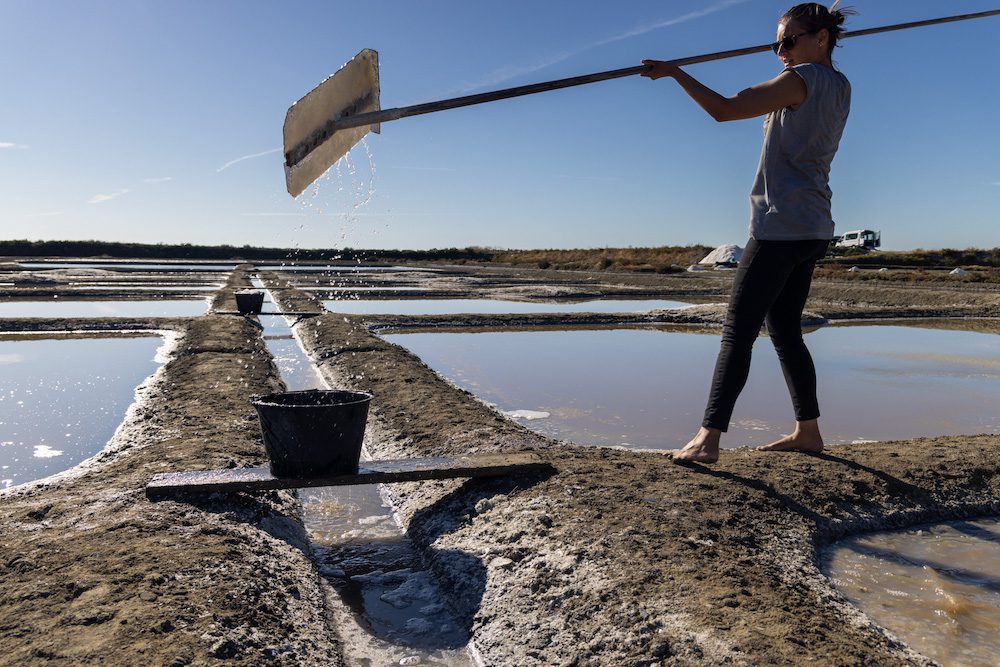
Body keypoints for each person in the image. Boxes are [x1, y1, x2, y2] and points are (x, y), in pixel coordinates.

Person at [641, 2, 854, 463]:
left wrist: (677, 73)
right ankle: (809, 432)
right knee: (785, 331)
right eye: (775, 43)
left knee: (736, 332)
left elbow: (724, 110)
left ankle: (707, 439)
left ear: (820, 37)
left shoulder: (803, 79)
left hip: (780, 225)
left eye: (789, 40)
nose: (781, 50)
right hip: (814, 225)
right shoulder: (839, 85)